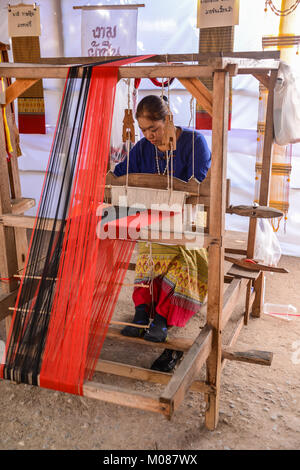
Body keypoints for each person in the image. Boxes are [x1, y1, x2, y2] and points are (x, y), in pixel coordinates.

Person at [113, 95, 211, 372]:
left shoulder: (194, 142)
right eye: (143, 130)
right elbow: (121, 174)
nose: (149, 136)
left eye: (153, 129)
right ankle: (142, 311)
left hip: (191, 219)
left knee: (185, 263)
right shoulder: (143, 147)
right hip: (156, 222)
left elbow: (196, 187)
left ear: (168, 120)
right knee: (148, 250)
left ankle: (162, 317)